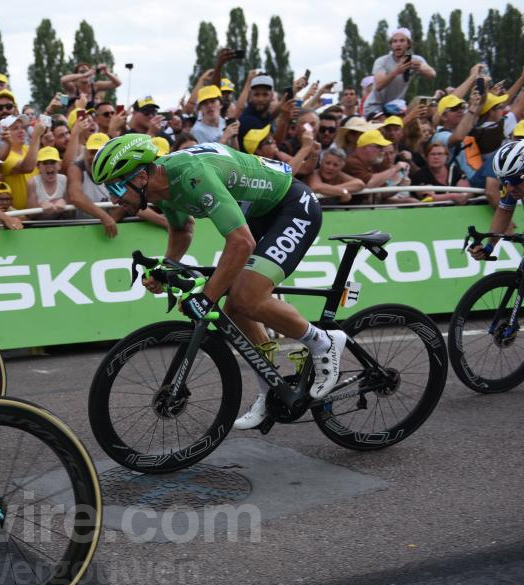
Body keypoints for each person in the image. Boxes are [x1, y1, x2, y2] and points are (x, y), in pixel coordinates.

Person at [91, 134, 346, 428]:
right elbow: (182, 229)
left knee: (247, 297)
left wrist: (206, 297)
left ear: (142, 176)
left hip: (292, 205)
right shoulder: (161, 189)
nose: (113, 198)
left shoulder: (190, 176)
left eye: (118, 187)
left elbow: (240, 243)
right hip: (260, 213)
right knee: (235, 309)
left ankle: (323, 341)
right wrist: (166, 267)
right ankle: (271, 385)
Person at [469, 141, 524, 261]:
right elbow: (504, 211)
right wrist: (489, 247)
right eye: (504, 180)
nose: (509, 187)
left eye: (514, 180)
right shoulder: (512, 183)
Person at [363, 27, 435, 118]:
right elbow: (379, 85)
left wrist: (419, 67)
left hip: (395, 107)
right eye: (395, 41)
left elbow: (432, 74)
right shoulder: (381, 61)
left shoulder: (415, 59)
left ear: (408, 44)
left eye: (402, 41)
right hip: (375, 105)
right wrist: (397, 71)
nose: (398, 44)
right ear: (391, 45)